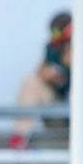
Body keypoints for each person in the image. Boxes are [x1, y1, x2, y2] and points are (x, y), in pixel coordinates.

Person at [10, 11, 73, 150]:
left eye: (58, 32)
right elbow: (40, 72)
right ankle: (19, 140)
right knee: (30, 82)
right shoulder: (52, 48)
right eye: (53, 32)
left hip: (72, 114)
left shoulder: (82, 48)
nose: (55, 36)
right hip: (52, 107)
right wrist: (47, 74)